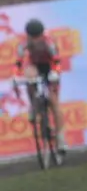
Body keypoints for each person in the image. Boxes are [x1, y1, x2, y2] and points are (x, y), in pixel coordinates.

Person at [14, 19, 67, 150]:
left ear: (42, 34)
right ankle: (33, 104)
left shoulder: (49, 42)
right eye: (33, 37)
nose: (36, 40)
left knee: (54, 103)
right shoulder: (24, 43)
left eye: (38, 37)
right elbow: (19, 62)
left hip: (50, 67)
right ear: (29, 36)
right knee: (29, 75)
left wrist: (55, 73)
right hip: (35, 66)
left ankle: (61, 139)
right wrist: (16, 75)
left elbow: (57, 61)